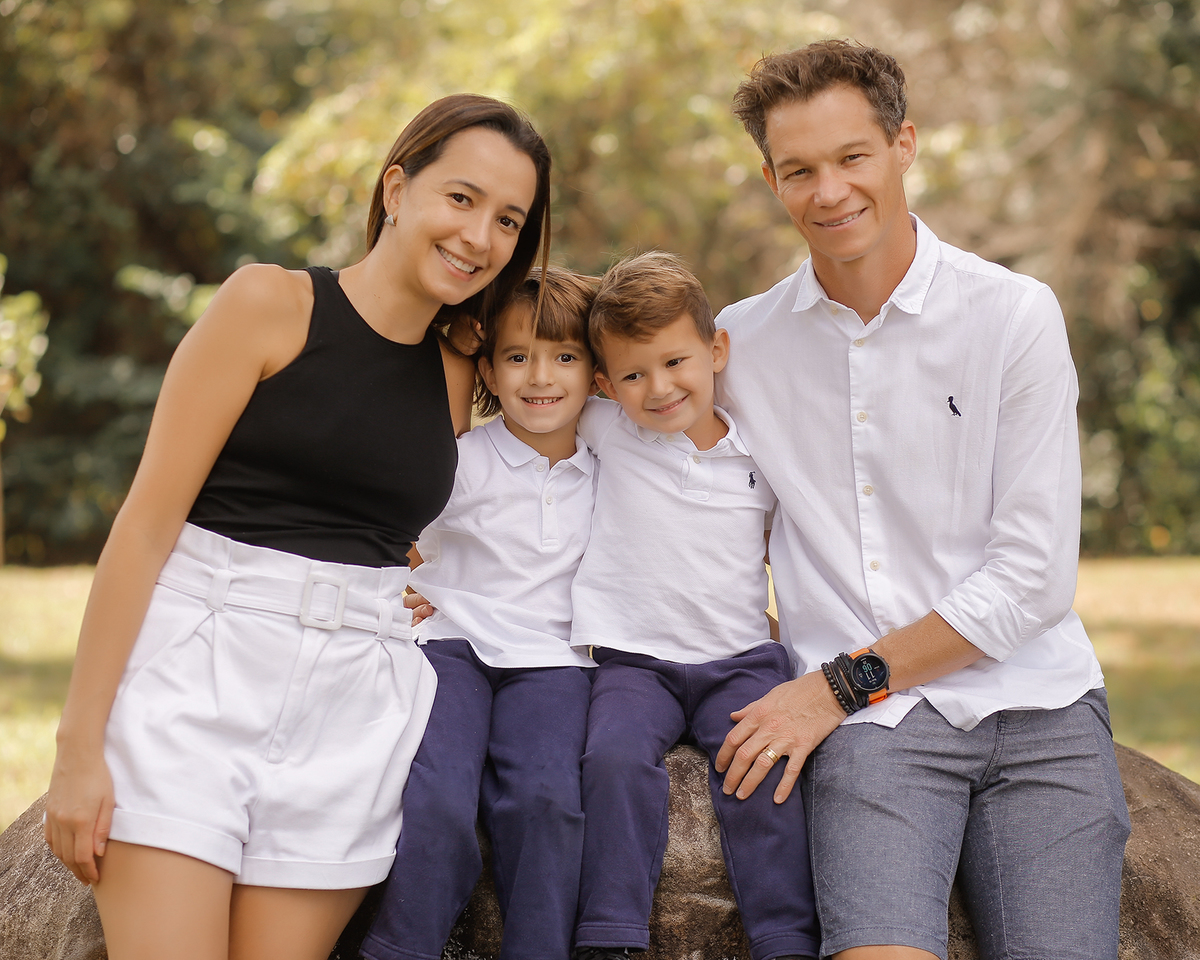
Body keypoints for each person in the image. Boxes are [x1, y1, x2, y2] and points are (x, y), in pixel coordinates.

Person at [43, 93, 552, 960]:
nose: (480, 237)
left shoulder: (459, 371)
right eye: (461, 198)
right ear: (396, 188)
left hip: (355, 701)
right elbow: (143, 529)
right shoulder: (268, 305)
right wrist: (77, 749)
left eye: (509, 220)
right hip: (198, 672)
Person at [712, 40, 1131, 960]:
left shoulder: (1013, 314)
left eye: (852, 158)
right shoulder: (737, 346)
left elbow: (1031, 581)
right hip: (880, 732)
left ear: (903, 146)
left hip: (1039, 707)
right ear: (772, 180)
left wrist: (832, 686)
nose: (829, 193)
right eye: (799, 171)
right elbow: (624, 448)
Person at [570, 252, 819, 960]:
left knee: (762, 766)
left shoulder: (759, 456)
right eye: (633, 374)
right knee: (612, 760)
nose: (659, 387)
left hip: (737, 659)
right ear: (603, 384)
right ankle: (611, 932)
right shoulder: (605, 428)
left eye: (676, 361)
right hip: (632, 661)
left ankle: (785, 937)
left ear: (716, 351)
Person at [360, 268, 600, 960]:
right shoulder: (461, 458)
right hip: (450, 642)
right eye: (517, 357)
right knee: (435, 797)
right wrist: (403, 584)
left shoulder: (612, 463)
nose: (540, 377)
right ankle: (403, 945)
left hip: (555, 660)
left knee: (547, 800)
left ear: (594, 371)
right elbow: (380, 525)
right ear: (489, 369)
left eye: (564, 356)